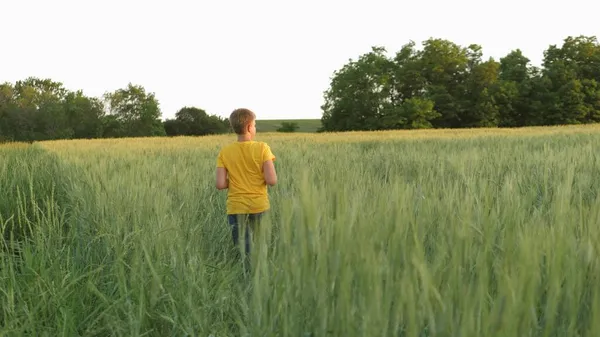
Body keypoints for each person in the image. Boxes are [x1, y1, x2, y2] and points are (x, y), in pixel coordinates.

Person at [216, 108, 277, 259]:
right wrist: (254, 178)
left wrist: (238, 180)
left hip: (236, 208)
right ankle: (261, 278)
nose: (255, 128)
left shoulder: (225, 152)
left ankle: (246, 277)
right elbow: (272, 180)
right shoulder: (263, 148)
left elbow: (220, 184)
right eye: (255, 125)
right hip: (259, 206)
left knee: (244, 251)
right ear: (249, 127)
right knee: (261, 248)